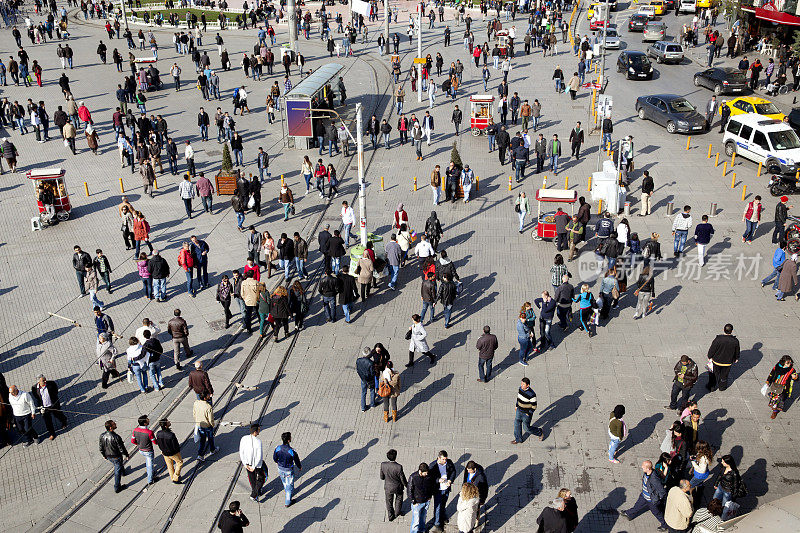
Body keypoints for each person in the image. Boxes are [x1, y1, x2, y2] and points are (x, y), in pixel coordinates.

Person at [620, 460, 669, 531]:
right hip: (644, 495)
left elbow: (662, 491)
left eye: (643, 467)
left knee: (657, 513)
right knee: (637, 505)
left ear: (648, 468)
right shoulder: (647, 473)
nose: (642, 467)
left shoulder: (654, 478)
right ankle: (629, 514)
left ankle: (664, 525)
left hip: (651, 500)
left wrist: (658, 499)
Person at [30, 374, 68, 441]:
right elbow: (36, 397)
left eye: (45, 380)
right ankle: (52, 433)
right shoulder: (34, 388)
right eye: (43, 381)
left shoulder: (51, 384)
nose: (45, 381)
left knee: (58, 415)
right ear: (38, 382)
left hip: (53, 404)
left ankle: (64, 421)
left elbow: (55, 391)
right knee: (48, 422)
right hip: (44, 408)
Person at [706, 323, 740, 392]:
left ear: (723, 330)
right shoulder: (735, 341)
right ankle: (722, 387)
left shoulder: (718, 339)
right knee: (724, 375)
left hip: (716, 361)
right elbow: (737, 351)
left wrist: (709, 356)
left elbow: (712, 349)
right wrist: (736, 358)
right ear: (732, 331)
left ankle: (712, 387)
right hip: (727, 362)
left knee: (714, 375)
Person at [428, 450, 456, 532]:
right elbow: (430, 478)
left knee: (443, 503)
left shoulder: (449, 462)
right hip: (438, 489)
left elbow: (453, 472)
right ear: (438, 458)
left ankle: (443, 516)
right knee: (437, 506)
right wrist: (438, 480)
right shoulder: (432, 466)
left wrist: (450, 480)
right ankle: (437, 523)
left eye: (446, 459)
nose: (445, 461)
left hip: (446, 488)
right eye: (443, 459)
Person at [273, 431, 302, 507]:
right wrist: (299, 467)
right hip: (289, 470)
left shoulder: (278, 448)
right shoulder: (292, 451)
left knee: (284, 482)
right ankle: (287, 502)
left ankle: (288, 490)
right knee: (289, 485)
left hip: (280, 468)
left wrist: (278, 462)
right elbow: (297, 460)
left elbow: (275, 458)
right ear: (288, 440)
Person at [100, 420, 130, 492]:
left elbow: (101, 447)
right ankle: (117, 487)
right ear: (111, 427)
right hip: (116, 456)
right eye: (114, 424)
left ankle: (123, 472)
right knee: (117, 470)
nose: (116, 424)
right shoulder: (116, 437)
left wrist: (104, 455)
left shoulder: (102, 435)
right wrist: (126, 455)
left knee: (118, 465)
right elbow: (121, 448)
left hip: (108, 456)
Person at [240, 423, 267, 502]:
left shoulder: (244, 438)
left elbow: (241, 452)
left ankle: (256, 491)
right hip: (257, 465)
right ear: (255, 432)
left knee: (252, 479)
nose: (259, 430)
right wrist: (254, 466)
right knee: (263, 476)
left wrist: (245, 464)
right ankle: (255, 493)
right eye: (258, 429)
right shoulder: (258, 441)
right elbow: (259, 456)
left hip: (247, 464)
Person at [765, 355, 798, 419]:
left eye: (790, 362)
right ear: (783, 363)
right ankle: (774, 409)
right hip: (775, 386)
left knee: (779, 400)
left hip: (783, 388)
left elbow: (795, 376)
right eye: (788, 363)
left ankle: (775, 412)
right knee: (774, 399)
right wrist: (768, 381)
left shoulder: (791, 370)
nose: (790, 364)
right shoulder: (777, 366)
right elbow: (771, 373)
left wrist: (795, 377)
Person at [511, 377, 542, 444]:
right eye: (521, 383)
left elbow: (534, 406)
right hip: (519, 410)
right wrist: (516, 406)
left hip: (526, 414)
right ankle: (518, 439)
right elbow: (518, 398)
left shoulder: (532, 394)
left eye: (523, 384)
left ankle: (539, 432)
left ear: (528, 385)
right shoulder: (520, 389)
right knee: (517, 424)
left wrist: (529, 413)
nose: (521, 385)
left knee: (526, 428)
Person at [380, 449, 407, 522]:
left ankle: (390, 516)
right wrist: (407, 485)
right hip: (398, 487)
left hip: (388, 487)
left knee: (389, 501)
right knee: (399, 498)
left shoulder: (383, 464)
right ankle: (397, 513)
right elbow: (402, 479)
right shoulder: (399, 467)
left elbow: (382, 477)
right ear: (395, 457)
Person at [131, 414, 158, 485]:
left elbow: (133, 441)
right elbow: (155, 442)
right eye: (147, 419)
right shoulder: (149, 432)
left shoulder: (135, 430)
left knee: (148, 461)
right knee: (150, 466)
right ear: (145, 423)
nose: (149, 420)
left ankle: (152, 473)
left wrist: (139, 444)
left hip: (141, 450)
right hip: (148, 451)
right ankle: (150, 480)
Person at [409, 463, 435, 533]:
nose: (426, 474)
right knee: (416, 521)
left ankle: (421, 530)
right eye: (425, 473)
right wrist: (413, 501)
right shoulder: (413, 477)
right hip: (417, 503)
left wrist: (430, 496)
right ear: (420, 471)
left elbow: (431, 486)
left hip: (426, 501)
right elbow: (409, 490)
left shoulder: (428, 476)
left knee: (423, 518)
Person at [156, 419, 183, 484]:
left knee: (169, 465)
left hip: (165, 453)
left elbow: (159, 443)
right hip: (173, 453)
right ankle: (176, 478)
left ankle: (172, 477)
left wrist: (162, 451)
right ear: (165, 426)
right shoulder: (171, 435)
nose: (169, 422)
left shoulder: (158, 433)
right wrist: (177, 451)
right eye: (168, 422)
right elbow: (175, 445)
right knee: (179, 463)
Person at [193, 391, 219, 461]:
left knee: (202, 439)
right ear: (205, 398)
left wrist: (197, 421)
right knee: (210, 438)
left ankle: (200, 454)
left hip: (199, 424)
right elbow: (211, 419)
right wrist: (212, 425)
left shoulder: (196, 403)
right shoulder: (208, 407)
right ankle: (212, 450)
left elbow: (194, 413)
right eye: (208, 395)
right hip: (207, 426)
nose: (209, 396)